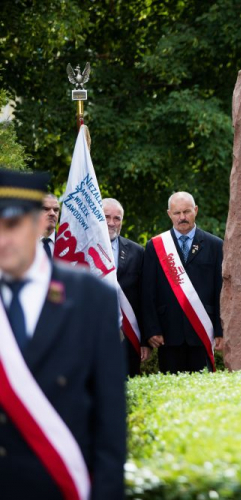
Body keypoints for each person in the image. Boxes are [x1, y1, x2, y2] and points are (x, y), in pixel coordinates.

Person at [0, 168, 126, 499]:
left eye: (11, 225)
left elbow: (110, 429)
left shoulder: (91, 298)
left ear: (35, 222)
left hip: (60, 487)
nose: (2, 239)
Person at [141, 191, 224, 373]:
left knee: (202, 392)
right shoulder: (155, 246)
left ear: (196, 210)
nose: (182, 217)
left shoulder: (215, 245)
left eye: (186, 212)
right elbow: (147, 292)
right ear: (169, 214)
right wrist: (151, 329)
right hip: (168, 333)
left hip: (202, 329)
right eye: (177, 213)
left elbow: (221, 290)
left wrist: (220, 330)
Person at [103, 197, 150, 376]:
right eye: (106, 217)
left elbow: (144, 297)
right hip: (91, 334)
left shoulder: (137, 252)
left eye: (117, 218)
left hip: (127, 336)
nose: (111, 223)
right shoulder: (82, 249)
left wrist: (145, 339)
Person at [40, 193, 59, 259]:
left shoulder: (66, 245)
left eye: (56, 210)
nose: (52, 213)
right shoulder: (23, 243)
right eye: (46, 209)